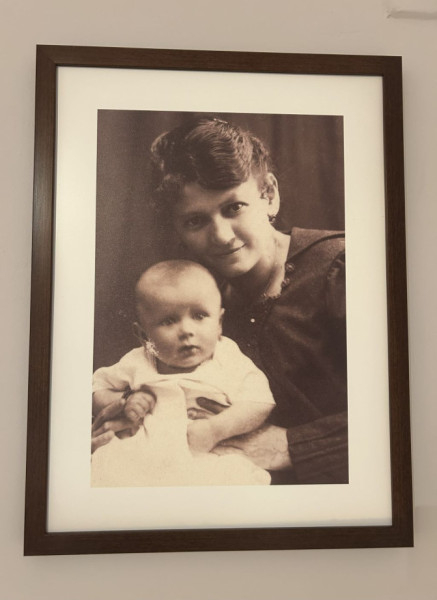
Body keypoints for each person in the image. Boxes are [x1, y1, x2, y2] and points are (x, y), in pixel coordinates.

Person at [93, 115, 348, 485]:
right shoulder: (197, 301)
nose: (222, 236)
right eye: (195, 221)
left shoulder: (341, 267)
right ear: (177, 229)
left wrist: (290, 446)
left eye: (234, 208)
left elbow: (406, 414)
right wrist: (127, 423)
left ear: (269, 194)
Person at [91, 259, 275, 486]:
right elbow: (96, 390)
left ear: (219, 323)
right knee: (109, 471)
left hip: (207, 457)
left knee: (233, 478)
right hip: (141, 459)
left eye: (199, 316)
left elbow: (259, 401)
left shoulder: (227, 357)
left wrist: (216, 429)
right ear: (144, 336)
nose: (187, 330)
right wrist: (126, 399)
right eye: (169, 321)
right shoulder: (138, 361)